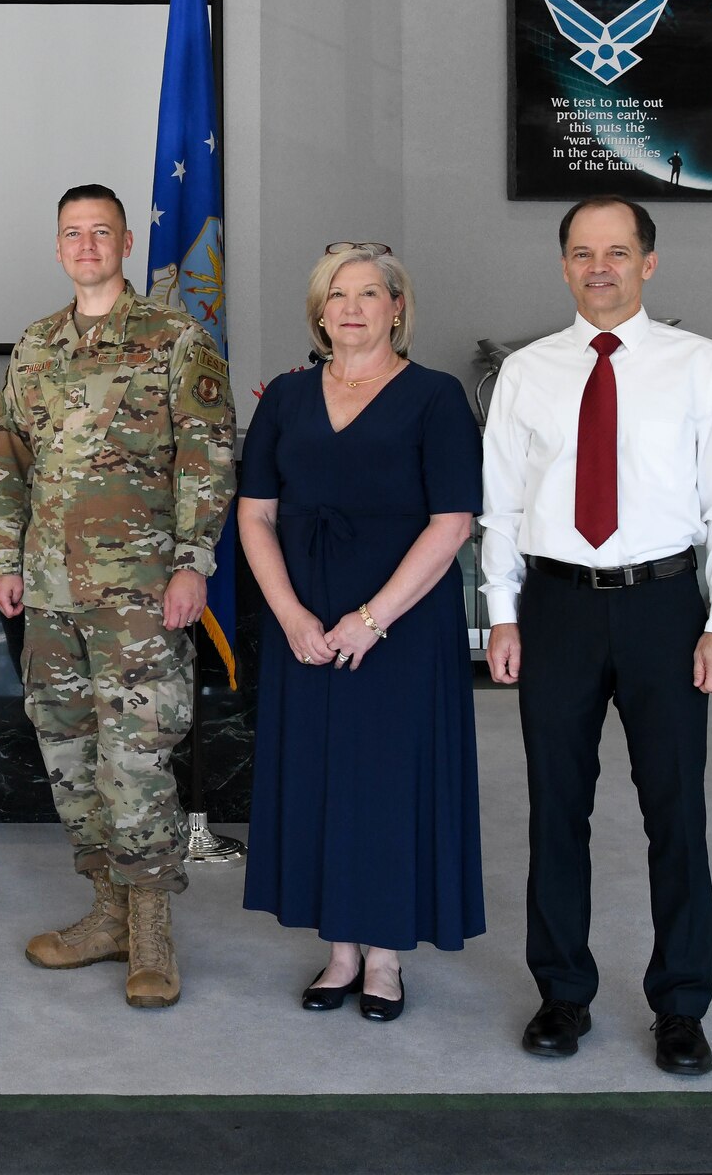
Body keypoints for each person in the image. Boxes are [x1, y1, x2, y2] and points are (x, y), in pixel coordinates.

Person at [483, 196, 712, 1076]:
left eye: (616, 251)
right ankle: (563, 993)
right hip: (557, 609)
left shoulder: (700, 366)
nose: (597, 267)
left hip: (664, 607)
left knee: (675, 813)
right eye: (580, 252)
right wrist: (500, 609)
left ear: (650, 262)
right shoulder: (527, 372)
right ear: (563, 266)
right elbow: (503, 506)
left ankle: (681, 1005)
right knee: (555, 812)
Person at [0, 183, 235, 1009]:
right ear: (58, 248)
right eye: (72, 234)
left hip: (141, 592)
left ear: (126, 241)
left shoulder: (173, 338)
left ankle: (153, 930)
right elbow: (9, 459)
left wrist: (195, 560)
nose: (87, 245)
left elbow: (205, 454)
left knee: (135, 758)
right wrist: (6, 561)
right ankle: (106, 913)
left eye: (101, 232)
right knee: (69, 753)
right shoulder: (36, 347)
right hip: (52, 591)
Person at [235, 243, 483, 1023]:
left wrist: (372, 620)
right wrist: (290, 615)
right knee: (316, 777)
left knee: (386, 781)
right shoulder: (285, 397)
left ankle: (383, 957)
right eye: (336, 294)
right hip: (301, 619)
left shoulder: (437, 397)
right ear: (319, 311)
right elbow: (255, 513)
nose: (351, 307)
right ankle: (338, 949)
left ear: (397, 308)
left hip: (401, 623)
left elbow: (453, 523)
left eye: (369, 293)